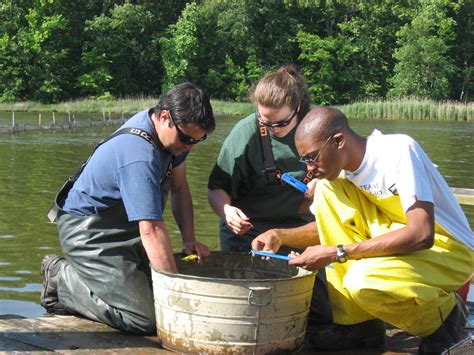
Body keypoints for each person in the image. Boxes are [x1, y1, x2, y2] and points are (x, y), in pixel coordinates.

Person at [252, 106, 473, 353]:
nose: (309, 169)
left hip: (450, 251)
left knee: (361, 282)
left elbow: (421, 234)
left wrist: (336, 253)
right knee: (324, 190)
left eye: (312, 157)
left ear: (338, 141)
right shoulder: (341, 175)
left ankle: (443, 321)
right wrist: (280, 235)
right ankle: (358, 327)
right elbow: (328, 228)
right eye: (304, 160)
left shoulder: (398, 151)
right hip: (400, 242)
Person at [40, 82, 216, 335]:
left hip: (127, 229)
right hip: (89, 234)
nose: (190, 147)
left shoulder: (170, 137)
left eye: (199, 140)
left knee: (164, 296)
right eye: (187, 139)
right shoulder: (139, 155)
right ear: (165, 116)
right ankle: (61, 279)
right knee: (147, 319)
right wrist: (175, 297)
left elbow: (179, 188)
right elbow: (151, 230)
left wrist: (189, 238)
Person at [207, 65, 315, 253]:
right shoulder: (245, 132)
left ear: (297, 107)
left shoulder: (318, 127)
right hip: (249, 234)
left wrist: (323, 184)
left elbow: (345, 177)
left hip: (301, 232)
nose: (273, 129)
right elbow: (217, 188)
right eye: (264, 121)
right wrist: (226, 212)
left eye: (280, 123)